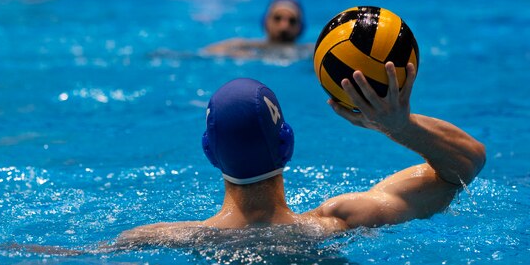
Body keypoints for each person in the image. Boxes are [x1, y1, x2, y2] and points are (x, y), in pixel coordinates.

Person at [117, 62, 486, 247]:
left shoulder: (158, 238)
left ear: (209, 154)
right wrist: (399, 126)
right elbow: (465, 167)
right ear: (287, 145)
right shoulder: (342, 221)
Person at [203, 0, 313, 59]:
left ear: (300, 27)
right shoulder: (247, 46)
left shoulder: (310, 51)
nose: (284, 26)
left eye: (292, 21)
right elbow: (207, 51)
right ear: (265, 22)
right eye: (277, 18)